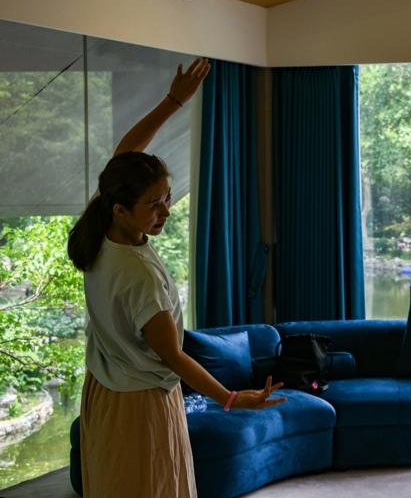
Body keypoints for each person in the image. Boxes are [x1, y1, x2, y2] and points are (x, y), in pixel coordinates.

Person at [67, 58, 286, 498]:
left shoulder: (101, 223)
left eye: (167, 198)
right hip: (140, 404)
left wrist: (173, 101)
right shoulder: (139, 275)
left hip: (105, 391)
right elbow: (173, 356)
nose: (165, 211)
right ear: (121, 209)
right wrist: (230, 398)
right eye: (154, 205)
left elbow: (126, 152)